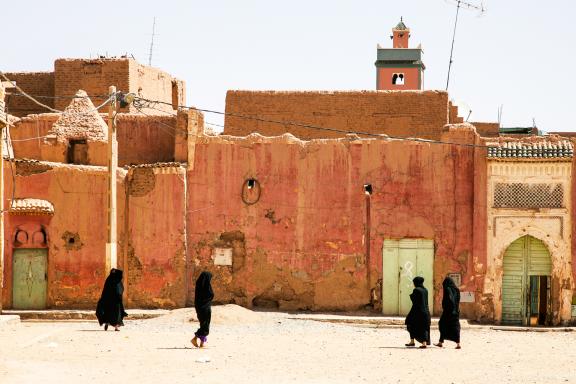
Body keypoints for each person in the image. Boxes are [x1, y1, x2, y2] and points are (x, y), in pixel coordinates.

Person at [404, 276, 431, 348]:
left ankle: (412, 341)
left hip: (417, 310)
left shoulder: (416, 290)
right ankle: (424, 343)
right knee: (424, 327)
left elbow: (415, 301)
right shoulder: (425, 290)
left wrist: (412, 296)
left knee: (409, 323)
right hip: (426, 311)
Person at [435, 276, 461, 349]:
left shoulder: (447, 289)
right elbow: (458, 300)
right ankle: (457, 343)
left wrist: (445, 306)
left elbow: (449, 299)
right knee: (455, 326)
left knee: (442, 324)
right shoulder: (457, 289)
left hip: (448, 311)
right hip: (456, 311)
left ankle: (441, 342)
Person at [191, 271, 214, 348]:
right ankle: (195, 339)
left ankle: (201, 343)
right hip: (205, 308)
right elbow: (210, 295)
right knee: (205, 325)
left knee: (203, 324)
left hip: (199, 307)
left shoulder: (200, 285)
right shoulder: (206, 287)